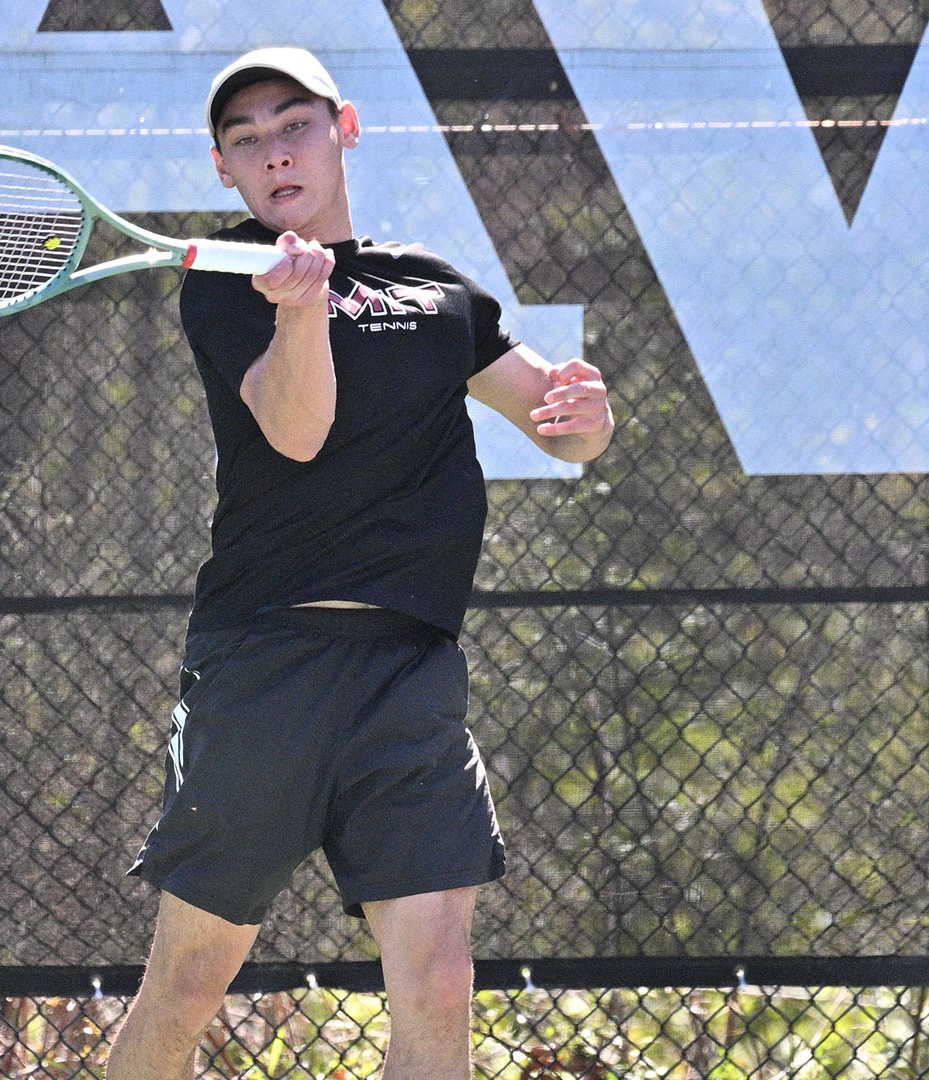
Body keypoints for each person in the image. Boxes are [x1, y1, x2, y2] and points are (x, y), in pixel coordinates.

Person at [108, 46, 613, 1080]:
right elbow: (295, 433)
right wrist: (302, 309)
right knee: (190, 986)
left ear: (345, 129)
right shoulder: (229, 284)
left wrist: (586, 422)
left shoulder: (437, 291)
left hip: (410, 674)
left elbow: (555, 425)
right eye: (245, 140)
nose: (273, 153)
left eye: (293, 125)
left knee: (434, 981)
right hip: (266, 665)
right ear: (223, 171)